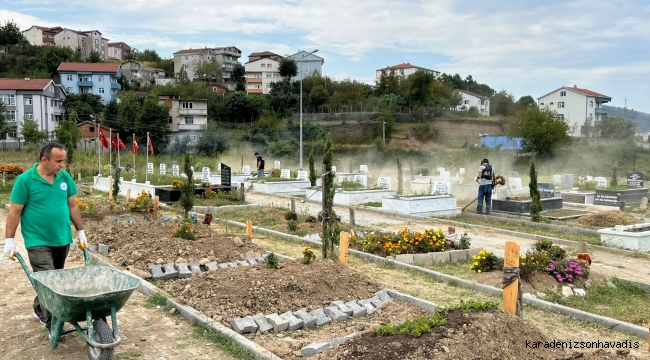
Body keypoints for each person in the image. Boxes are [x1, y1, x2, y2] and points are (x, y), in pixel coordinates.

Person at [2, 142, 88, 332]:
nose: (62, 165)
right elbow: (14, 212)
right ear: (44, 160)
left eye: (63, 161)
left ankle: (39, 307)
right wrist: (9, 239)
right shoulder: (25, 181)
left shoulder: (64, 177)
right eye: (58, 161)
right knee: (50, 281)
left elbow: (72, 205)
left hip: (62, 238)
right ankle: (54, 324)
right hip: (37, 240)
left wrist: (80, 231)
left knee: (53, 279)